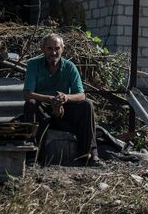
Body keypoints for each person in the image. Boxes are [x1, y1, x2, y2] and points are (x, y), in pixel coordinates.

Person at [22, 33, 98, 163]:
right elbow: (28, 93)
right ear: (43, 50)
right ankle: (31, 155)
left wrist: (65, 98)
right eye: (50, 48)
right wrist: (51, 100)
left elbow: (81, 94)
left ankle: (89, 154)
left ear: (62, 49)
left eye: (57, 48)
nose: (54, 52)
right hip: (43, 108)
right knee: (30, 103)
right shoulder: (33, 65)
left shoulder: (69, 67)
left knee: (87, 105)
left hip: (64, 109)